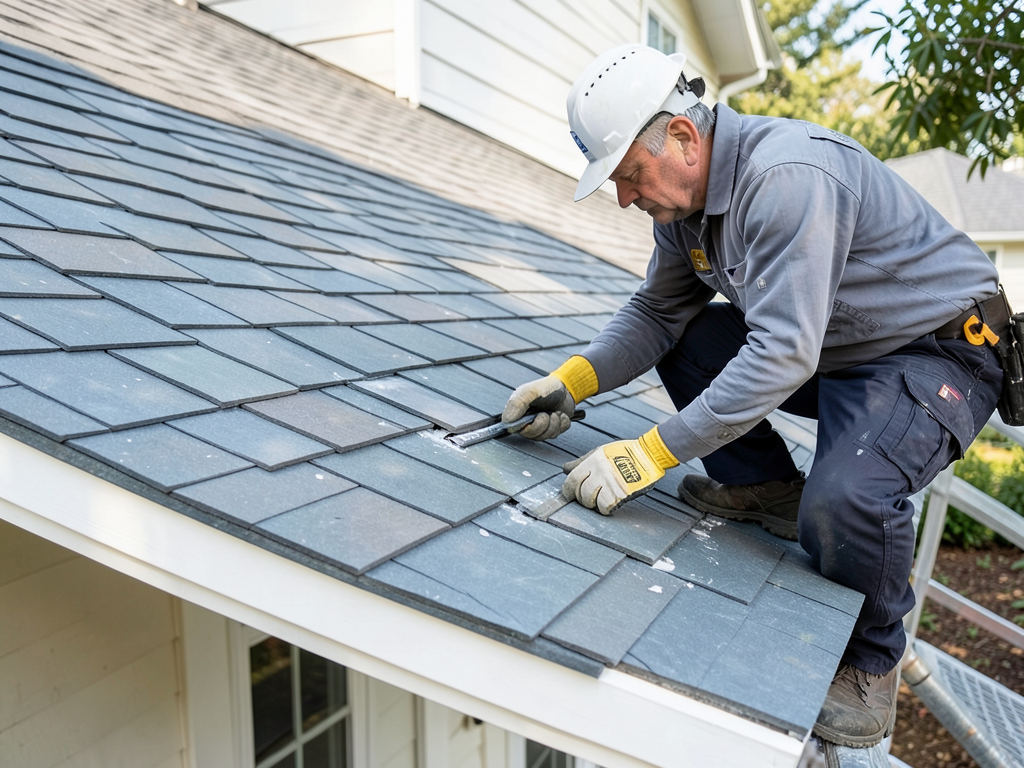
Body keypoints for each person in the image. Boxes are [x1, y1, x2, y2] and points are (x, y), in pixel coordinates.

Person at [502, 43, 1008, 748]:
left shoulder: (786, 177)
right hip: (843, 349)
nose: (624, 198)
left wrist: (648, 455)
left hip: (936, 352)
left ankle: (872, 660)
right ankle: (767, 488)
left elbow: (782, 354)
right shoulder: (683, 212)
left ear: (684, 137)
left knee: (849, 496)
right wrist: (570, 381)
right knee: (691, 336)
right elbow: (657, 313)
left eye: (629, 175)